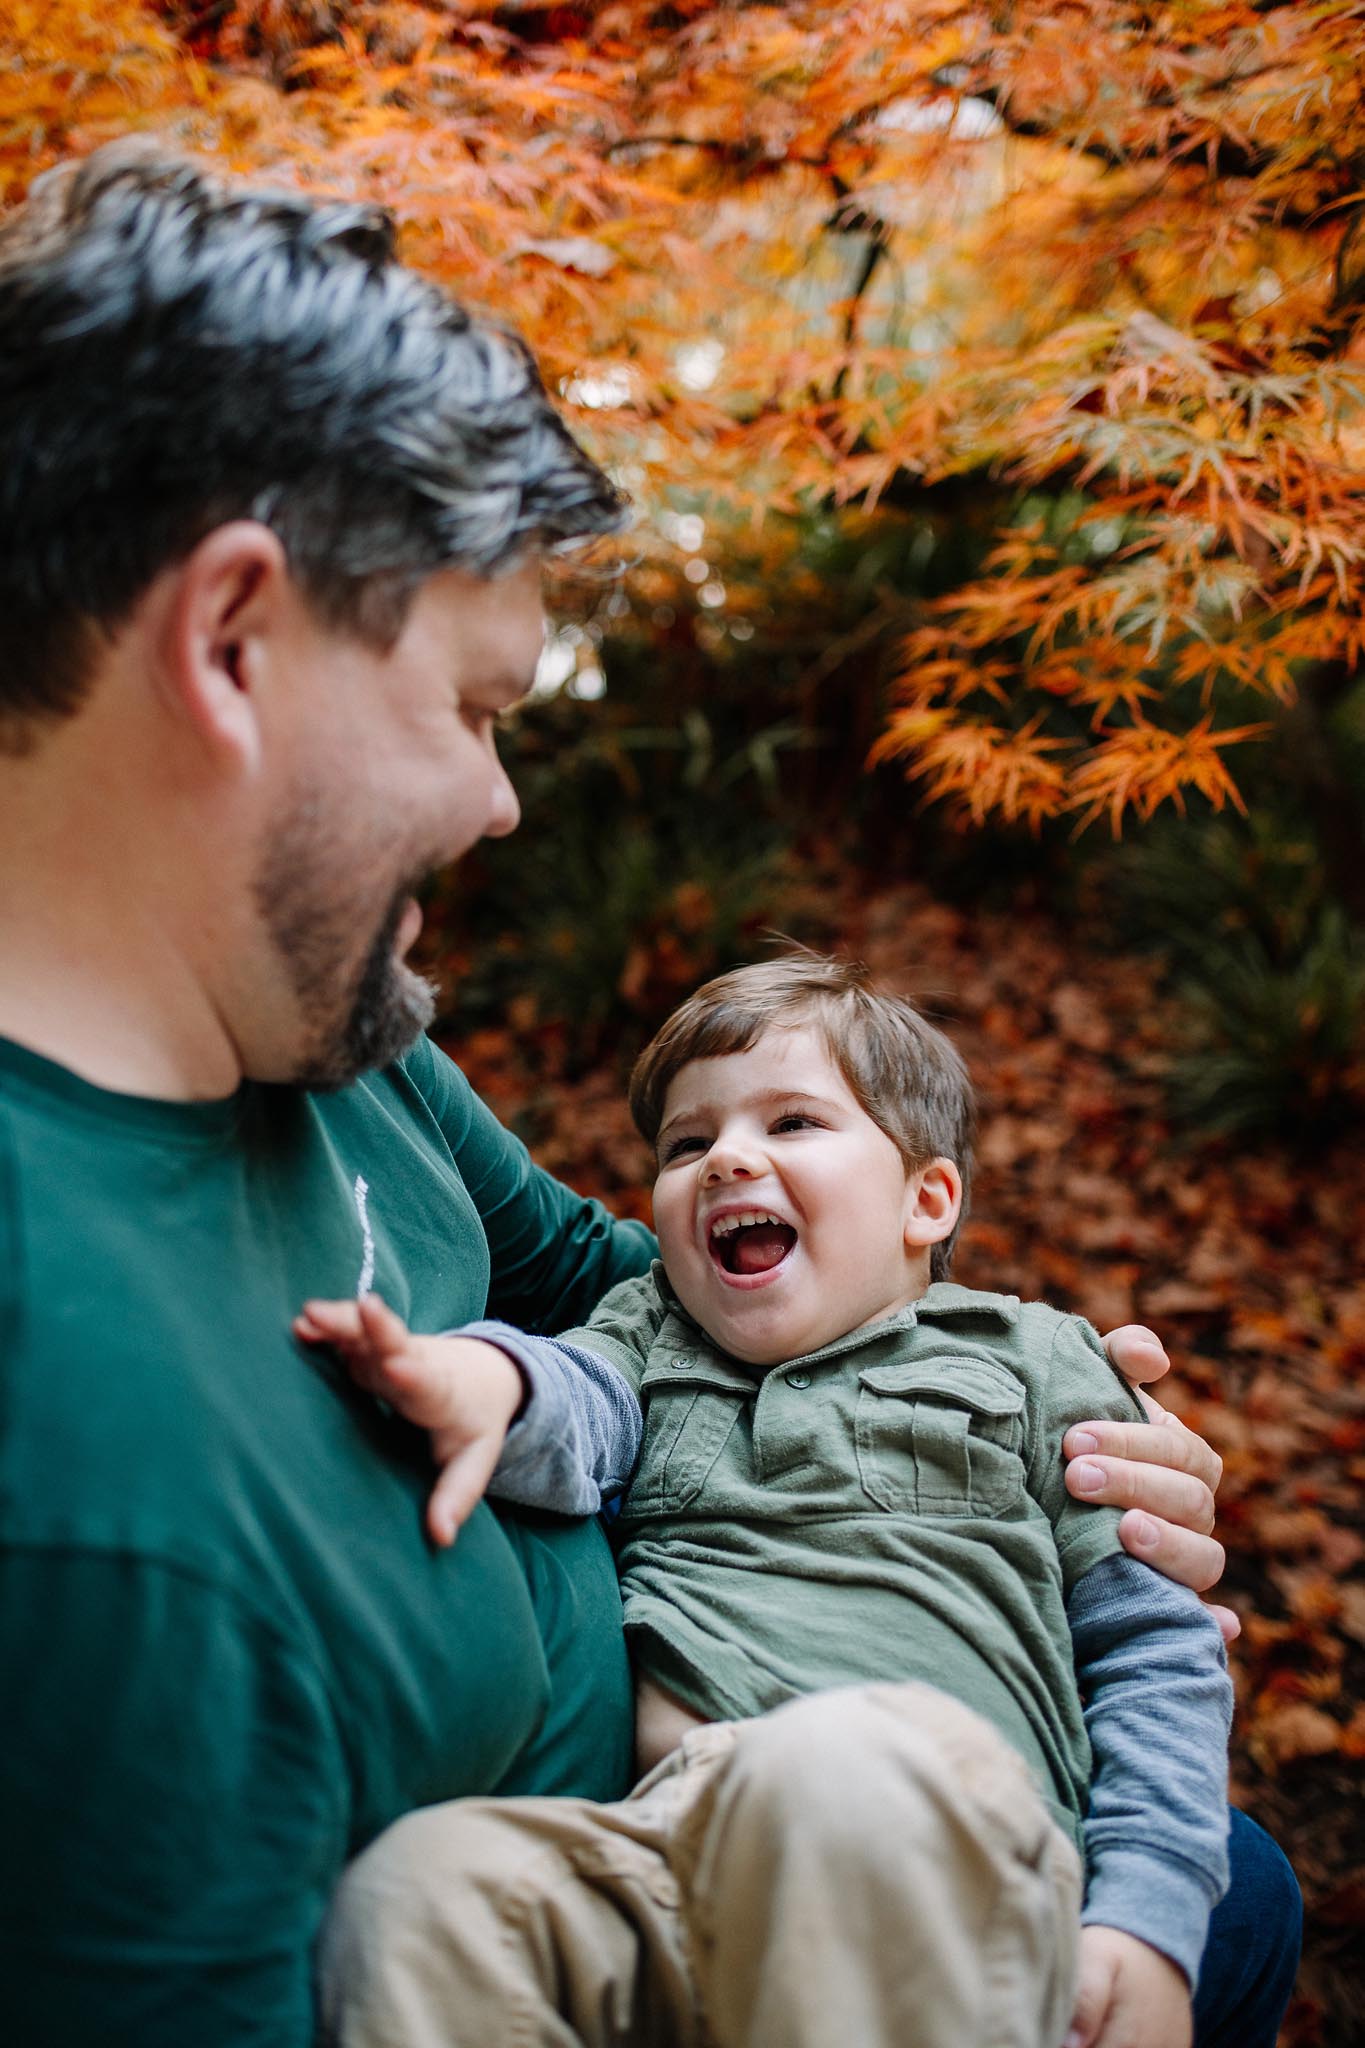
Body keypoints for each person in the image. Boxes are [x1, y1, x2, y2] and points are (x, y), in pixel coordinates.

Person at [0, 142, 1295, 2048]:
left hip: (877, 1827)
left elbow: (658, 1288)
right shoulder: (90, 1510)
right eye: (479, 708)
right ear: (231, 642)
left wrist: (1017, 1418)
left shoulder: (340, 1057)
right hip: (667, 1930)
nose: (501, 801)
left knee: (1230, 1885)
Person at [304, 956, 1233, 2048]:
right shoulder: (649, 1329)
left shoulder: (1031, 1357)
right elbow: (577, 1400)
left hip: (924, 1843)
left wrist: (1151, 1914)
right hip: (665, 1848)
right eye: (687, 1144)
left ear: (927, 1200)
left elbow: (1155, 1652)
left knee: (838, 1766)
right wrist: (482, 1381)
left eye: (792, 1121)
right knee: (421, 1895)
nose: (728, 1155)